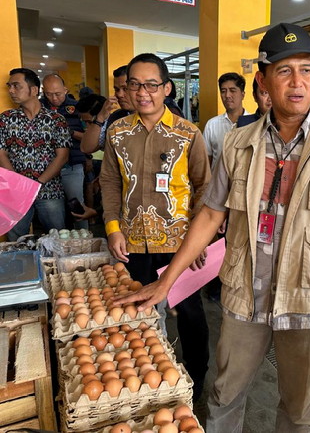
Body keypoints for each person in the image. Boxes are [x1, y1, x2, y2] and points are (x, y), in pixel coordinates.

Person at [114, 23, 310, 432]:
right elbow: (211, 213)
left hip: (309, 298)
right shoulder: (238, 142)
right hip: (244, 295)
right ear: (263, 80)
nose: (298, 82)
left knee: (299, 410)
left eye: (306, 70)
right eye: (285, 72)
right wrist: (167, 282)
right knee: (223, 396)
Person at [99, 53, 212, 400]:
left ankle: (196, 381)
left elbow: (204, 187)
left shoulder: (188, 133)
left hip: (180, 243)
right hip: (131, 241)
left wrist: (199, 241)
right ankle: (145, 383)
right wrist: (113, 227)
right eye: (135, 84)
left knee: (191, 315)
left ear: (166, 88)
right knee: (136, 311)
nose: (142, 92)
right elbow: (110, 182)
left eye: (151, 84)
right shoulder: (118, 132)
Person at [0, 68, 71, 240]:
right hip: (16, 192)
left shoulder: (56, 120)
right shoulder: (7, 118)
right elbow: (1, 153)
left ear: (33, 90)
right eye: (10, 86)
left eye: (16, 86)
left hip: (49, 190)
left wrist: (37, 184)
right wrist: (19, 184)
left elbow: (62, 156)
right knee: (17, 240)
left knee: (58, 237)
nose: (11, 90)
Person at [41, 74, 88, 229]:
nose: (54, 98)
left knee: (77, 206)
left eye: (58, 94)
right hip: (46, 168)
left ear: (65, 90)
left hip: (72, 165)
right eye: (48, 94)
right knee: (53, 209)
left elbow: (89, 138)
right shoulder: (39, 108)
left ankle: (85, 240)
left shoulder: (77, 108)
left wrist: (68, 132)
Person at [80, 65, 134, 154]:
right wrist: (100, 117)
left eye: (125, 89)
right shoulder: (115, 119)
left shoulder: (157, 117)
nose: (119, 94)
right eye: (117, 89)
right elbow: (86, 148)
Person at [203, 72, 249, 170]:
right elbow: (207, 160)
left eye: (232, 90)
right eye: (223, 91)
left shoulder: (254, 123)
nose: (227, 95)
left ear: (242, 94)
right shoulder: (212, 124)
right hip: (218, 183)